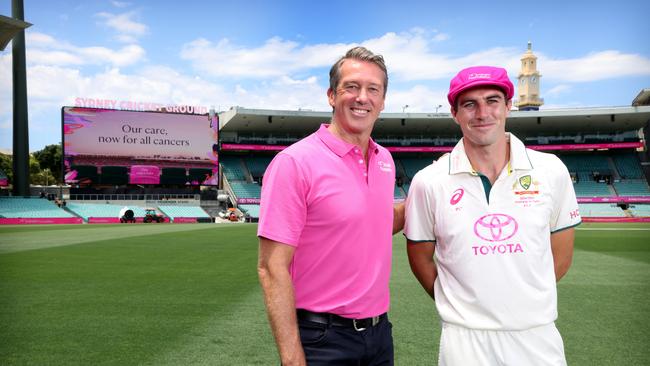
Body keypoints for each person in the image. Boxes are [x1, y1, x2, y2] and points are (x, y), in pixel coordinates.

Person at [404, 66, 582, 365]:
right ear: (454, 113)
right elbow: (420, 259)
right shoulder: (429, 180)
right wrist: (462, 305)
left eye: (492, 100)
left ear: (509, 106)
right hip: (464, 339)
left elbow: (561, 257)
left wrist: (521, 303)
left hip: (536, 335)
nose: (482, 112)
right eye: (469, 104)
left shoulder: (551, 170)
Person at [257, 46, 404, 366]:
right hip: (322, 339)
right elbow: (271, 267)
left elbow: (371, 224)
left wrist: (419, 198)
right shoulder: (295, 163)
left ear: (382, 100)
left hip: (380, 335)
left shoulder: (385, 161)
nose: (362, 97)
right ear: (331, 95)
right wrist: (292, 357)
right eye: (351, 86)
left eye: (372, 89)